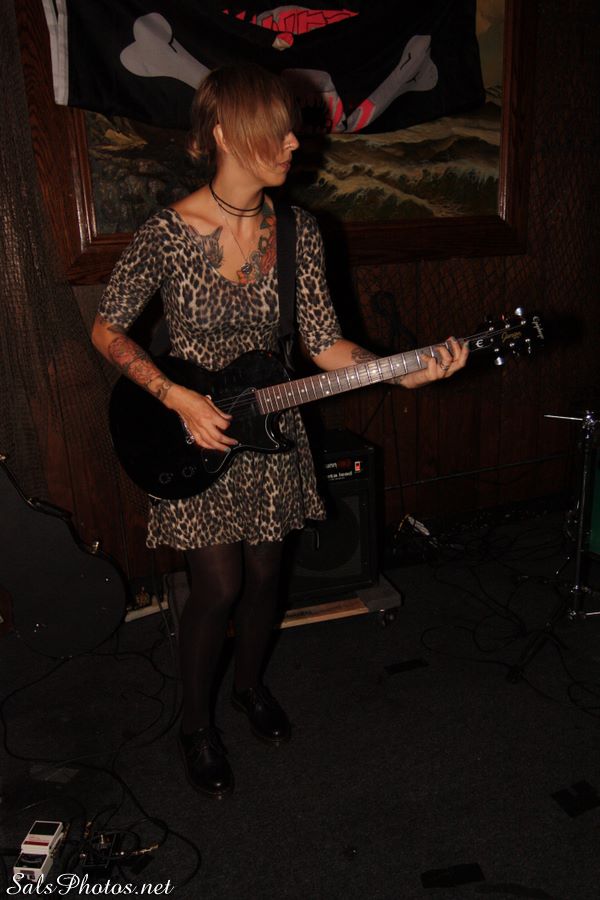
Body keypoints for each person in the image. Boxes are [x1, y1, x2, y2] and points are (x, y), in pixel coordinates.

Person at [92, 64, 468, 799]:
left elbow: (325, 345)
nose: (295, 141)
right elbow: (107, 330)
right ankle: (195, 726)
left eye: (293, 129)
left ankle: (249, 687)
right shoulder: (168, 232)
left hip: (273, 427)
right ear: (225, 134)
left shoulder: (298, 231)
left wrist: (397, 371)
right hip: (194, 430)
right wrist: (175, 397)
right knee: (218, 586)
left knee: (267, 576)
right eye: (279, 129)